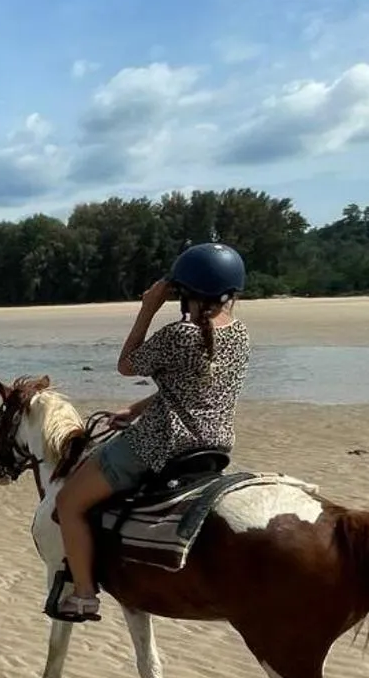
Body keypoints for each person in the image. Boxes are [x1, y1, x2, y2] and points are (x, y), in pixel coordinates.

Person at [50, 242, 251, 622]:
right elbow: (191, 387)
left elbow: (126, 365)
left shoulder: (181, 334)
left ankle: (83, 594)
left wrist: (147, 307)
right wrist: (136, 409)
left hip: (163, 443)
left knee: (69, 503)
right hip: (216, 444)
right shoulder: (240, 334)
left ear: (183, 293)